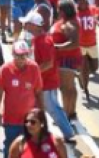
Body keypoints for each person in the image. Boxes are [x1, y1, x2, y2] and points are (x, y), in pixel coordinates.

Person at [22, 12, 75, 142]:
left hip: (47, 82)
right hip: (42, 82)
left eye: (27, 23)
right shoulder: (38, 39)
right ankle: (37, 133)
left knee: (53, 109)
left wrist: (32, 73)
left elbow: (48, 63)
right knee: (36, 108)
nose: (25, 25)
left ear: (34, 25)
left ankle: (68, 134)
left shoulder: (43, 41)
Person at [0, 41, 44, 158]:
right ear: (12, 54)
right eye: (18, 55)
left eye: (24, 55)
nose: (21, 59)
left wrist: (42, 114)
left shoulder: (34, 68)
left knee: (30, 146)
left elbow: (38, 92)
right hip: (11, 118)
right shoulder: (5, 70)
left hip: (30, 119)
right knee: (10, 145)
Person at [52, 0, 82, 120]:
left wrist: (56, 47)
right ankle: (71, 113)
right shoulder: (66, 22)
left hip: (66, 60)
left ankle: (65, 115)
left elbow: (74, 43)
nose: (57, 10)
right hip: (69, 59)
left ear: (64, 11)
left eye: (59, 8)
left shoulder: (70, 24)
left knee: (65, 88)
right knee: (71, 87)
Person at [75, 0, 99, 99]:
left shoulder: (93, 9)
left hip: (92, 43)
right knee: (84, 68)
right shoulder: (74, 12)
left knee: (94, 67)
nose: (83, 1)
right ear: (77, 2)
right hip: (80, 44)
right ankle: (86, 89)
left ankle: (80, 76)